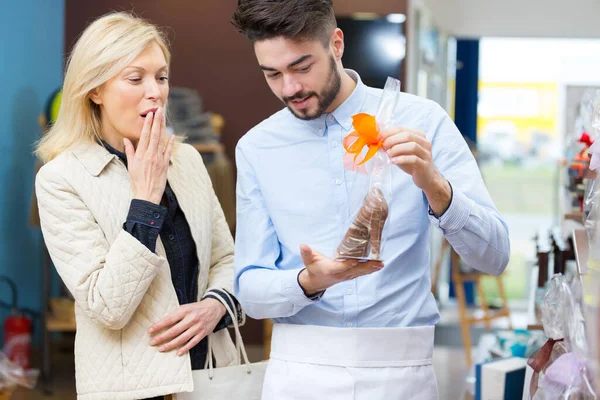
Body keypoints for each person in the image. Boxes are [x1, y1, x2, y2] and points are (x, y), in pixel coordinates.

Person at [231, 1, 510, 399]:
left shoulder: (423, 121)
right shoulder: (256, 148)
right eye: (272, 74)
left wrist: (435, 185)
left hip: (402, 372)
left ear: (337, 44)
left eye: (302, 66)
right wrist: (309, 282)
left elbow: (494, 256)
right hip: (298, 373)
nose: (289, 88)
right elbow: (251, 290)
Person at [35, 12, 242, 400]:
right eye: (135, 78)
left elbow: (226, 260)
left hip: (212, 378)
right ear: (94, 89)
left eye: (161, 77)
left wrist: (215, 306)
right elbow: (107, 307)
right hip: (131, 388)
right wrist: (145, 199)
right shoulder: (60, 179)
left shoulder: (188, 161)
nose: (156, 92)